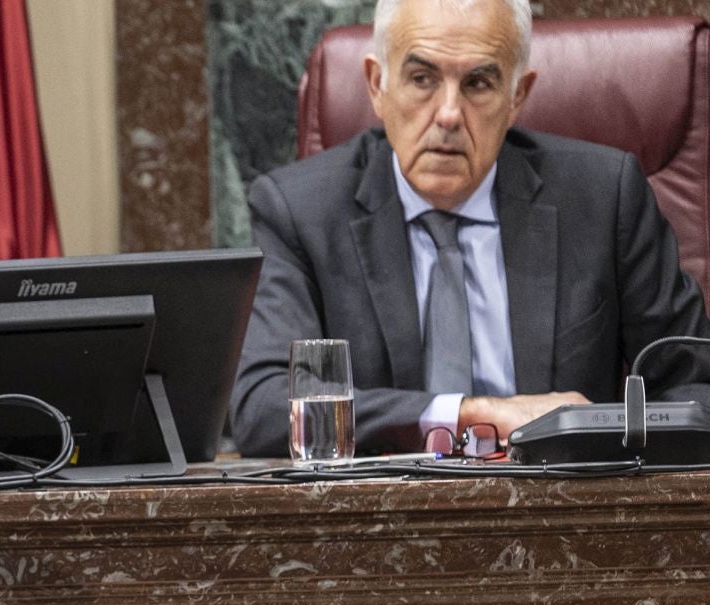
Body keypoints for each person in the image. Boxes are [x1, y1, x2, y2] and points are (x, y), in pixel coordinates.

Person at [230, 0, 710, 457]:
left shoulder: (603, 198)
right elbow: (264, 406)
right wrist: (472, 414)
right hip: (375, 526)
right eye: (422, 78)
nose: (448, 115)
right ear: (377, 85)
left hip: (562, 517)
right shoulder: (300, 211)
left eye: (478, 83)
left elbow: (696, 389)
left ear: (516, 96)